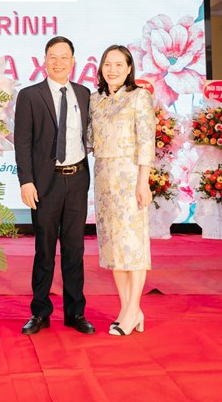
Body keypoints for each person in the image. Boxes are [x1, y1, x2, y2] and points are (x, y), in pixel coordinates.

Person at [14, 36, 95, 335]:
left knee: (75, 250)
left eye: (64, 57)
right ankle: (40, 312)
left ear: (73, 61)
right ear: (44, 60)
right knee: (44, 249)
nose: (58, 62)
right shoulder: (29, 96)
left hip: (77, 179)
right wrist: (26, 181)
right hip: (44, 183)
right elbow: (22, 143)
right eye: (53, 57)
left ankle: (75, 313)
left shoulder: (84, 94)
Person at [89, 44, 156, 337]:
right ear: (101, 68)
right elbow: (88, 139)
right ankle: (128, 309)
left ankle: (131, 311)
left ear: (129, 69)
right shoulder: (95, 100)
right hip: (104, 179)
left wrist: (143, 181)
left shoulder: (139, 97)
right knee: (114, 247)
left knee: (133, 245)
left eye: (119, 64)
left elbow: (147, 141)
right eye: (108, 64)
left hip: (130, 178)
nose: (112, 69)